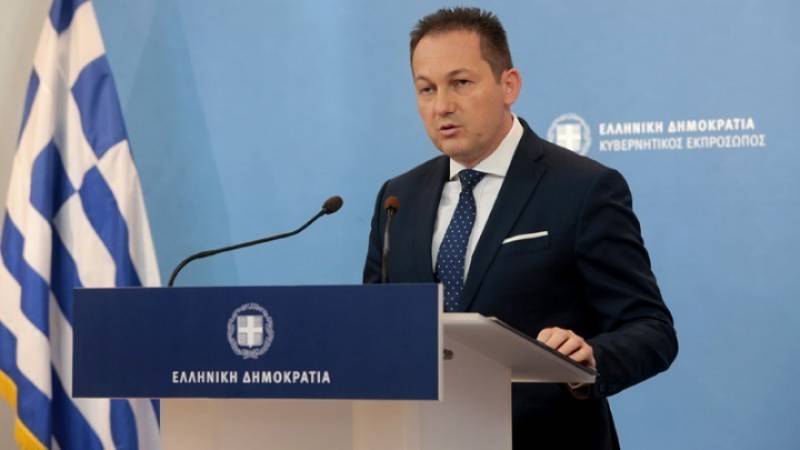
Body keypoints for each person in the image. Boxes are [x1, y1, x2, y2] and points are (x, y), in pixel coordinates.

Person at [363, 7, 677, 450]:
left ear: (509, 85)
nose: (442, 106)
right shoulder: (398, 197)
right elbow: (376, 326)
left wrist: (589, 359)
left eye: (461, 83)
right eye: (426, 89)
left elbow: (651, 329)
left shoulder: (583, 188)